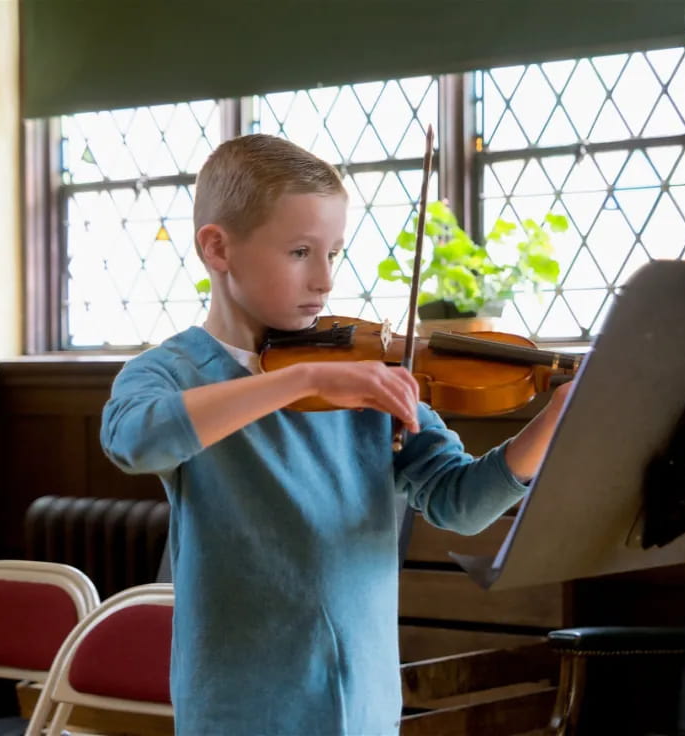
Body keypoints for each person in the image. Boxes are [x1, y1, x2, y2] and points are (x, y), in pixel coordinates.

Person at [100, 133, 572, 735]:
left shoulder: (367, 377)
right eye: (300, 252)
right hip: (242, 705)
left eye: (335, 254)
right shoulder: (170, 373)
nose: (324, 280)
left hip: (364, 701)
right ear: (217, 247)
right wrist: (300, 380)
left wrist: (554, 423)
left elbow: (462, 504)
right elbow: (137, 442)